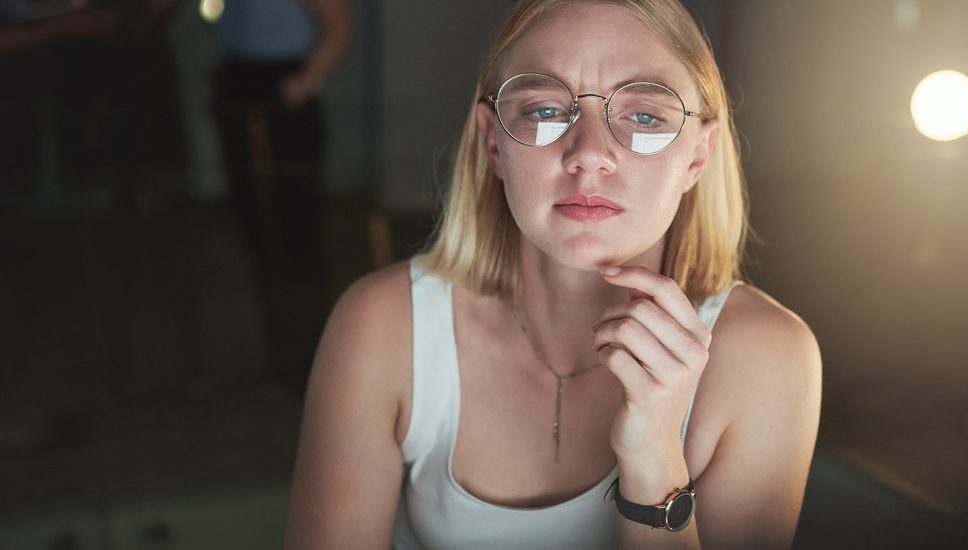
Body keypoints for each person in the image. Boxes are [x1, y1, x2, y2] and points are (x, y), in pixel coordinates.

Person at [284, 1, 821, 548]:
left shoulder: (767, 357)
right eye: (544, 110)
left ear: (698, 158)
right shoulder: (384, 325)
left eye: (644, 116)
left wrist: (654, 456)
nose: (589, 155)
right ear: (494, 143)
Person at [210, 0, 352, 397]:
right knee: (257, 227)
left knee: (295, 229)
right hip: (240, 84)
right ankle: (281, 352)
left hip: (281, 93)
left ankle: (312, 357)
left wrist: (304, 82)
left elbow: (338, 27)